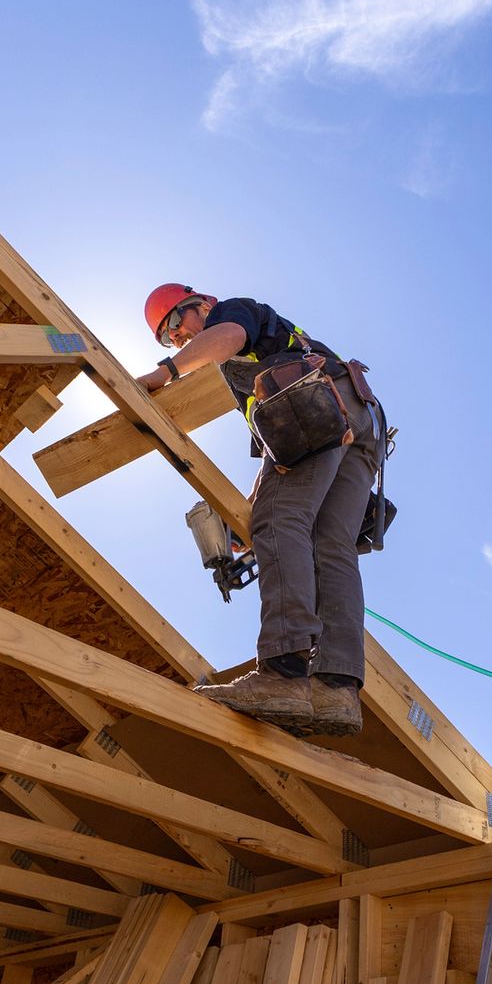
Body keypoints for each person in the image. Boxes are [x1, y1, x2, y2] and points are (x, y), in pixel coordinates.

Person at [137, 283, 377, 737]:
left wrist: (165, 372)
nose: (178, 340)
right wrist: (247, 517)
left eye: (175, 325)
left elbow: (226, 334)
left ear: (201, 304)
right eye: (169, 341)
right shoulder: (258, 367)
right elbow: (276, 458)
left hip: (318, 405)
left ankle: (283, 674)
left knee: (280, 520)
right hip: (359, 418)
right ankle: (336, 688)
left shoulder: (231, 314)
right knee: (331, 545)